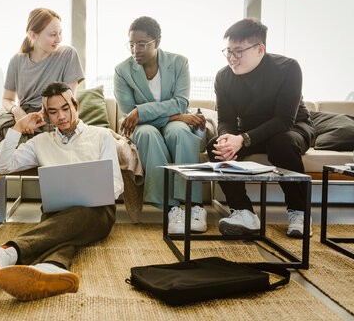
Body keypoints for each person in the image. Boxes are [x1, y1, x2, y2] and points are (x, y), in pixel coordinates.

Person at [0, 82, 124, 301]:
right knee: (62, 234)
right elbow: (1, 167)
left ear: (76, 105)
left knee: (75, 217)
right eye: (53, 112)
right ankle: (51, 269)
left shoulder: (101, 135)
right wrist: (17, 128)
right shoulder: (40, 142)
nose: (60, 116)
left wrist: (94, 189)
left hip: (96, 212)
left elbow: (116, 183)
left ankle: (7, 252)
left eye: (65, 108)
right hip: (56, 213)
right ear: (47, 115)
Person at [207, 18, 315, 238]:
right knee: (216, 146)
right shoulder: (223, 77)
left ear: (260, 49)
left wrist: (243, 139)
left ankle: (299, 211)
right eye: (228, 51)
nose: (231, 58)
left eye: (238, 51)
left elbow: (284, 119)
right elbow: (225, 119)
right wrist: (228, 138)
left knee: (281, 143)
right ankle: (243, 212)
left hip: (293, 128)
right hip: (248, 131)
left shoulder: (288, 68)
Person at [0, 8, 84, 160]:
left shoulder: (67, 55)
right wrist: (17, 112)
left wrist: (40, 115)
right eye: (53, 35)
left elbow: (67, 99)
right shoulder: (17, 61)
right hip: (17, 114)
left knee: (14, 149)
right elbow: (7, 99)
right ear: (33, 35)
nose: (58, 39)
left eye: (60, 33)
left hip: (46, 120)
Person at [114, 16, 208, 234]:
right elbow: (130, 115)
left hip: (173, 123)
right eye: (131, 44)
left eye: (142, 44)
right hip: (145, 126)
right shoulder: (122, 71)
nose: (135, 50)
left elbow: (180, 102)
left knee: (181, 134)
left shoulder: (178, 63)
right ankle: (172, 208)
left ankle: (194, 205)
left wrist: (143, 111)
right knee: (147, 135)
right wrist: (175, 116)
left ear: (157, 42)